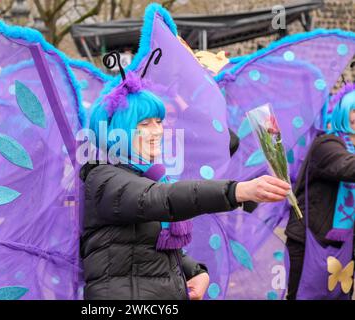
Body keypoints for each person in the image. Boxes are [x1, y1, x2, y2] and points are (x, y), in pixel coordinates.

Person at [79, 50, 291, 300]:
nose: (157, 131)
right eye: (145, 124)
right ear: (118, 131)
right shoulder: (104, 177)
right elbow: (163, 200)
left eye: (159, 121)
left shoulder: (147, 174)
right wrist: (236, 191)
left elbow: (152, 244)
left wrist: (194, 271)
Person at [285, 83, 355, 300]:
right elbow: (346, 167)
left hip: (344, 248)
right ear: (344, 112)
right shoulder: (326, 143)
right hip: (309, 242)